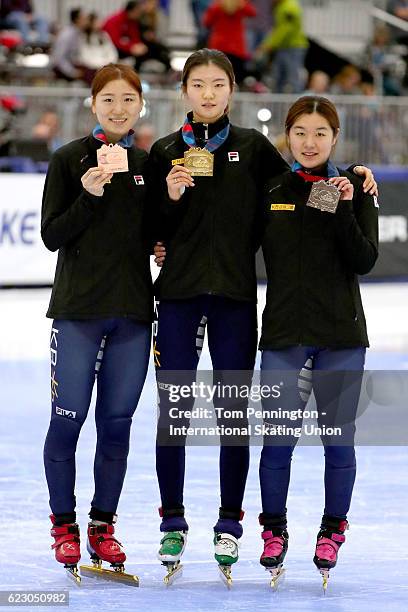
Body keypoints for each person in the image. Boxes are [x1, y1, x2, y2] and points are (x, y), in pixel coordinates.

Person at [148, 48, 377, 581]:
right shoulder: (164, 152)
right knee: (177, 417)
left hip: (257, 308)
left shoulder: (254, 151)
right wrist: (166, 222)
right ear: (185, 90)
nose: (208, 93)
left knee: (270, 427)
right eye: (198, 84)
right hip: (199, 304)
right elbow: (153, 226)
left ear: (232, 91)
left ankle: (239, 522)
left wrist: (353, 179)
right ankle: (178, 520)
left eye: (218, 85)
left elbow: (323, 203)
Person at [257, 96, 378, 589]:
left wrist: (345, 203)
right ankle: (274, 531)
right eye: (301, 132)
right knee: (277, 440)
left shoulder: (355, 187)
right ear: (288, 135)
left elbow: (363, 259)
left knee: (338, 440)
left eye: (320, 134)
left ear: (334, 138)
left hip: (340, 334)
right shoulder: (271, 189)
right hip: (284, 334)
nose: (310, 142)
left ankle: (333, 529)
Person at [41, 63, 153, 583]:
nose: (118, 108)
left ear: (140, 106)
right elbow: (52, 236)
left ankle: (102, 526)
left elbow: (158, 233)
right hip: (78, 312)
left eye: (128, 99)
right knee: (68, 420)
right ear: (92, 104)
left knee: (116, 426)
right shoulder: (67, 161)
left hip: (133, 314)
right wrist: (90, 193)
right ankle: (63, 524)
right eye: (108, 99)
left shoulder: (148, 165)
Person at [102, 1, 172, 74]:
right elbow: (114, 41)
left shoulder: (133, 20)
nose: (139, 14)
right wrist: (131, 47)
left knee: (154, 49)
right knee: (140, 53)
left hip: (127, 46)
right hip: (113, 48)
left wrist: (138, 45)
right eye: (138, 12)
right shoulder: (114, 21)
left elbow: (135, 36)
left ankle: (167, 71)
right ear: (132, 11)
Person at [256, 0, 308, 93]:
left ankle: (300, 104)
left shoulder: (289, 7)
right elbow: (279, 29)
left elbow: (285, 30)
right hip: (284, 47)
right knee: (279, 77)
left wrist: (269, 44)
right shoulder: (283, 6)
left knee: (292, 77)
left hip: (293, 47)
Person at [203, 0, 256, 85]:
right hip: (237, 47)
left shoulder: (217, 6)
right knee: (236, 79)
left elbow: (206, 22)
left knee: (217, 78)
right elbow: (253, 13)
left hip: (219, 46)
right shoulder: (240, 5)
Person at [51, 7, 88, 82]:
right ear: (77, 19)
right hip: (63, 70)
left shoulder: (79, 33)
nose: (86, 21)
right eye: (84, 18)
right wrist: (73, 72)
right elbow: (59, 58)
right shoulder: (67, 35)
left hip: (72, 66)